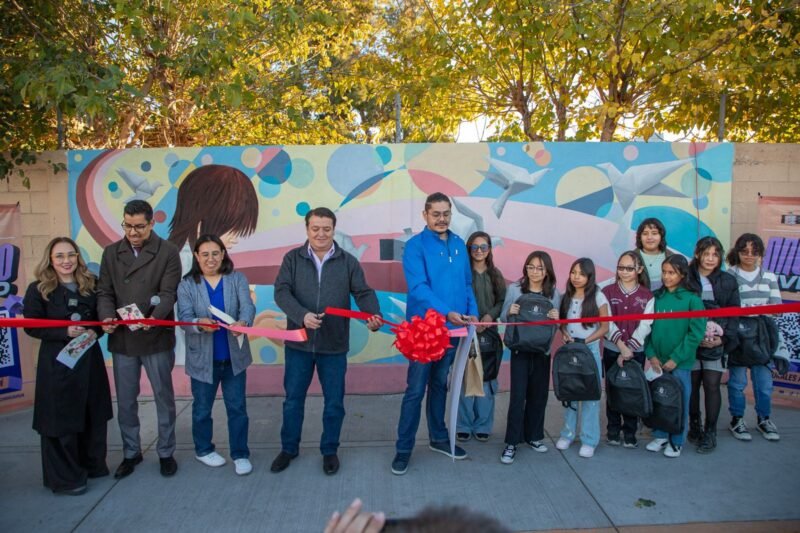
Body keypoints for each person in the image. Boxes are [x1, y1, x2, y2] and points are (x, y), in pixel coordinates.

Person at [272, 207, 382, 476]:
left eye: (326, 229)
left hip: (333, 345)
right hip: (299, 344)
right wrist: (301, 315)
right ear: (307, 229)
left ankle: (330, 450)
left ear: (334, 229)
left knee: (334, 403)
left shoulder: (348, 262)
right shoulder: (292, 259)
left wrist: (373, 315)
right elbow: (281, 292)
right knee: (293, 401)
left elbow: (363, 292)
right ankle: (289, 448)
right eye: (315, 228)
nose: (321, 234)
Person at [391, 192, 478, 475]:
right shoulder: (414, 246)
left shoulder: (459, 244)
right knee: (415, 390)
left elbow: (467, 284)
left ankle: (438, 438)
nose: (441, 219)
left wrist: (472, 312)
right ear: (425, 215)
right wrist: (446, 312)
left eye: (446, 214)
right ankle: (403, 449)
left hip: (453, 330)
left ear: (451, 214)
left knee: (440, 384)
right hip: (424, 332)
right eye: (436, 214)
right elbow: (418, 288)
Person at [97, 199, 182, 478]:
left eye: (139, 227)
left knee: (163, 397)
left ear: (151, 223)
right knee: (125, 400)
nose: (132, 232)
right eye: (127, 226)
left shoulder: (168, 251)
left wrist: (153, 318)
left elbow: (169, 293)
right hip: (123, 339)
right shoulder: (111, 253)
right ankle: (131, 452)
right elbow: (104, 292)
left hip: (155, 336)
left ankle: (166, 451)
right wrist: (107, 317)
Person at [22, 238, 113, 495]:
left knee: (93, 413)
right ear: (50, 260)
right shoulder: (39, 289)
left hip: (89, 360)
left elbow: (101, 318)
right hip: (58, 364)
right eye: (60, 256)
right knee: (61, 419)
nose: (66, 261)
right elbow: (31, 325)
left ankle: (92, 465)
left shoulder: (91, 285)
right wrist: (64, 331)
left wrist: (98, 330)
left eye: (71, 255)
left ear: (78, 257)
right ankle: (66, 478)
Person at [177, 234, 256, 475]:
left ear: (223, 254)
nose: (210, 258)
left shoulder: (236, 278)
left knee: (237, 408)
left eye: (215, 253)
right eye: (205, 254)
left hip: (234, 359)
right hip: (203, 360)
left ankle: (240, 454)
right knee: (202, 409)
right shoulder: (187, 284)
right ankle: (203, 450)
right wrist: (198, 324)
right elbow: (184, 318)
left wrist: (244, 322)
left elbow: (247, 306)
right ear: (196, 256)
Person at [499, 251, 560, 464]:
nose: (535, 272)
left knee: (539, 395)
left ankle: (534, 436)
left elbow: (556, 325)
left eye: (540, 268)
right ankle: (511, 442)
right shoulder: (515, 289)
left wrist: (556, 317)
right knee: (518, 396)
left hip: (542, 351)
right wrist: (510, 311)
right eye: (531, 267)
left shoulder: (554, 293)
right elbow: (503, 317)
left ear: (547, 271)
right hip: (520, 349)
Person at [644, 255, 706, 458]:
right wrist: (651, 355)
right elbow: (647, 328)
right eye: (664, 272)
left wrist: (676, 358)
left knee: (679, 401)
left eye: (672, 273)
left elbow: (695, 333)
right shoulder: (656, 297)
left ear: (682, 275)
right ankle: (660, 435)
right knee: (659, 399)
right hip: (657, 362)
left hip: (680, 363)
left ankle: (676, 440)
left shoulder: (692, 300)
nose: (666, 276)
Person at [725, 233, 783, 442]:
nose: (749, 255)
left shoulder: (770, 276)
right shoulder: (729, 275)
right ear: (737, 252)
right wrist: (755, 309)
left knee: (764, 383)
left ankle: (764, 419)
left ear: (761, 253)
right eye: (744, 251)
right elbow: (727, 306)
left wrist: (750, 310)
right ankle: (737, 419)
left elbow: (777, 308)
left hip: (762, 336)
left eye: (754, 251)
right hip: (737, 336)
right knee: (737, 382)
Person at [687, 237, 740, 453]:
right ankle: (694, 425)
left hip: (716, 342)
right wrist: (693, 336)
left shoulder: (728, 281)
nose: (710, 258)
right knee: (691, 385)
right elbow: (679, 309)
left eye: (715, 254)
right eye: (706, 253)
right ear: (697, 254)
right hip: (690, 341)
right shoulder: (685, 277)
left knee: (711, 385)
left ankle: (710, 431)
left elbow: (734, 313)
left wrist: (723, 338)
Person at [556, 258, 610, 458]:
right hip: (570, 352)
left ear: (590, 276)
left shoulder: (598, 296)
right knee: (570, 393)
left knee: (590, 397)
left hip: (589, 352)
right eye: (573, 272)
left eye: (581, 274)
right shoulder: (566, 296)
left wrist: (585, 341)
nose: (576, 277)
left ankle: (589, 439)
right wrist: (564, 333)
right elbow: (562, 323)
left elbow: (605, 327)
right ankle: (568, 434)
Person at [456, 231, 506, 443]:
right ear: (469, 249)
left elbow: (502, 301)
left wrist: (489, 316)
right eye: (474, 247)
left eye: (483, 247)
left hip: (489, 335)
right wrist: (469, 319)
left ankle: (483, 424)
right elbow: (456, 299)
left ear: (489, 250)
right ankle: (463, 424)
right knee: (466, 379)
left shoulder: (495, 275)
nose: (479, 251)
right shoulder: (461, 274)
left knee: (486, 380)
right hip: (466, 333)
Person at [601, 250, 654, 449]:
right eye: (621, 268)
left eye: (629, 268)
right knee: (613, 390)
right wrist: (621, 346)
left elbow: (646, 325)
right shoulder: (607, 292)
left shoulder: (647, 296)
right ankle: (613, 430)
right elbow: (607, 322)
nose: (624, 272)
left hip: (636, 351)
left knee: (633, 390)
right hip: (612, 348)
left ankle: (630, 431)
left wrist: (630, 347)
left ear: (639, 270)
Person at [634, 217, 673, 291]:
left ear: (661, 236)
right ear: (640, 237)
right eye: (645, 234)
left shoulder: (672, 257)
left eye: (654, 233)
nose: (649, 237)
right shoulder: (631, 257)